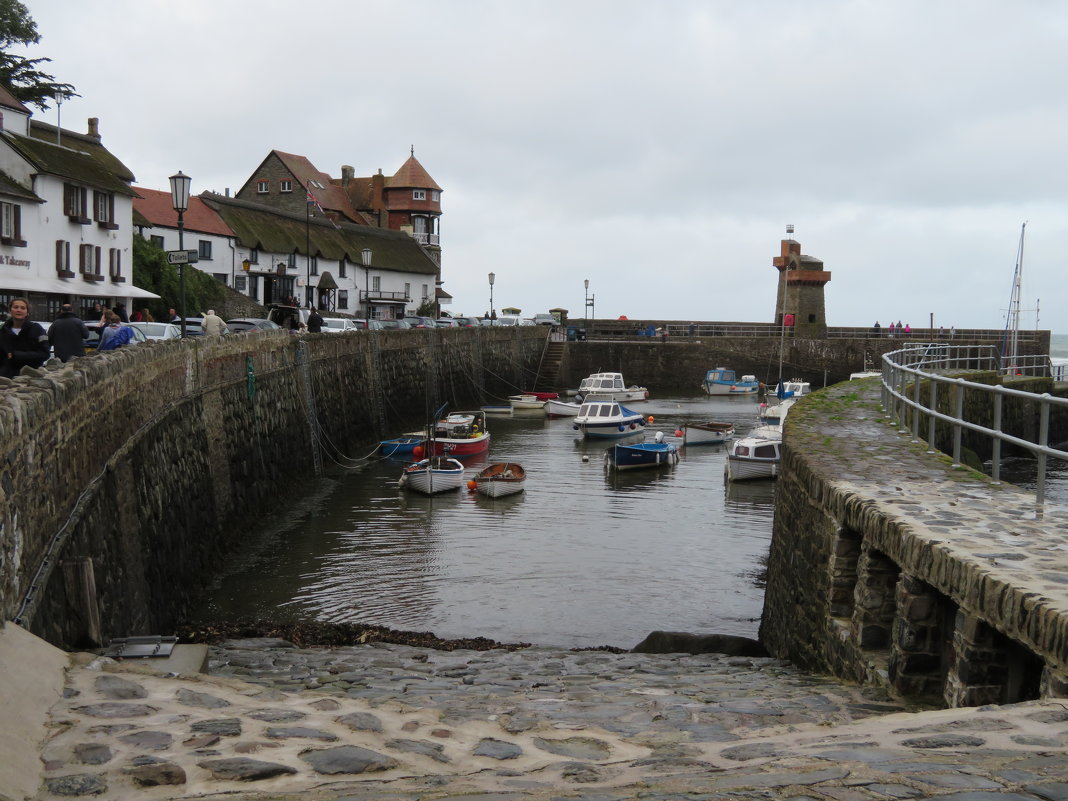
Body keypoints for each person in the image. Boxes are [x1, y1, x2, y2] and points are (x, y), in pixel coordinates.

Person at [0, 298, 49, 377]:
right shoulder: (3, 331)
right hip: (6, 378)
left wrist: (16, 355)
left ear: (27, 312)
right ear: (10, 311)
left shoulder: (38, 329)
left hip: (30, 376)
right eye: (16, 307)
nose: (19, 310)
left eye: (23, 308)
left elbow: (45, 353)